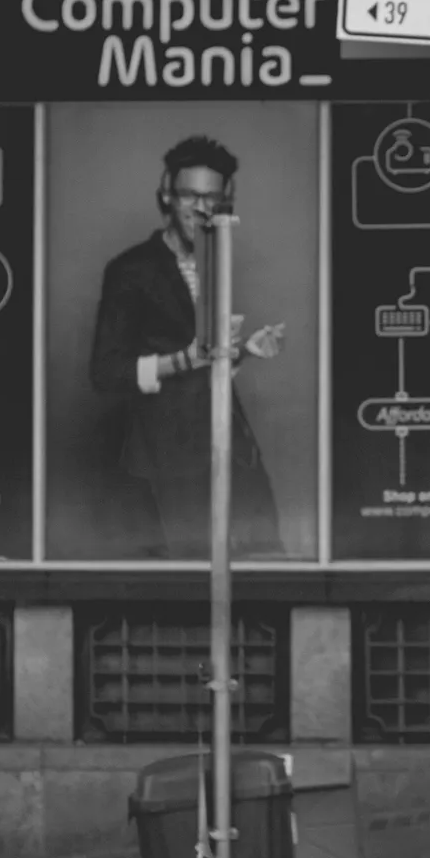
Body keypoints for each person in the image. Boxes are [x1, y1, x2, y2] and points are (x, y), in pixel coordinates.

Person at [89, 135, 286, 560]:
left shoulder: (216, 259)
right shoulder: (131, 269)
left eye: (211, 197)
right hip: (168, 457)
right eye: (190, 196)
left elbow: (207, 358)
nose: (200, 207)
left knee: (266, 564)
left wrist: (246, 350)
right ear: (166, 196)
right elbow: (106, 372)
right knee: (186, 575)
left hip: (230, 444)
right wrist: (183, 359)